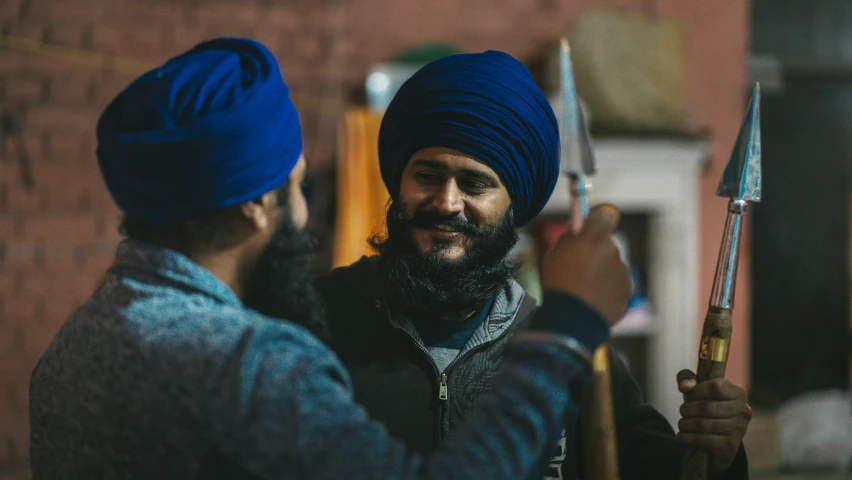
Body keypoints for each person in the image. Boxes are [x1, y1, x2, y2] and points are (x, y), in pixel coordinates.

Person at [28, 38, 633, 480]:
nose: (302, 210)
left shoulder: (75, 342)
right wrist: (569, 332)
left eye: (475, 184)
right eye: (299, 187)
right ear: (258, 207)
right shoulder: (253, 364)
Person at [316, 50, 753, 479]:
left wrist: (718, 455)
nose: (447, 203)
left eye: (475, 184)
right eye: (427, 176)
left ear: (514, 205)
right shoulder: (318, 323)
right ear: (398, 180)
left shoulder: (572, 354)